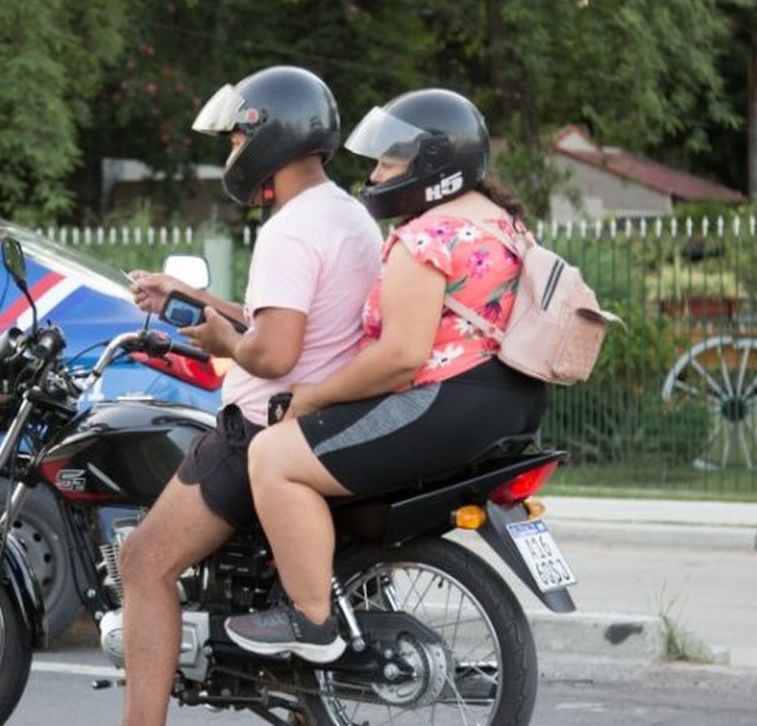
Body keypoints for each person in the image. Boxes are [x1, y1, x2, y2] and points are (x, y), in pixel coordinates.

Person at [41, 66, 383, 726]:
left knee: (143, 562)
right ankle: (307, 715)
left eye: (237, 133)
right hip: (324, 423)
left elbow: (274, 349)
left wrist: (218, 341)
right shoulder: (346, 214)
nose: (232, 145)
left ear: (268, 134)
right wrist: (197, 298)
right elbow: (290, 313)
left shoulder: (291, 228)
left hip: (259, 424)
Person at [224, 88, 549, 660]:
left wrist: (313, 396)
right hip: (510, 399)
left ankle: (310, 619)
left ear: (430, 168)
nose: (373, 176)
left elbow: (400, 354)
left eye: (386, 163)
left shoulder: (426, 238)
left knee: (274, 457)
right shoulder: (502, 223)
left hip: (446, 402)